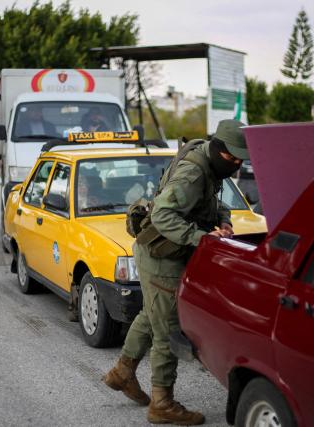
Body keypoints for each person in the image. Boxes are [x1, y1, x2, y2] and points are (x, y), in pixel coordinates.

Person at [103, 119, 249, 425]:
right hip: (161, 255)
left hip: (159, 250)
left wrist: (223, 221)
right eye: (231, 157)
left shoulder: (207, 156)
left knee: (151, 313)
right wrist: (202, 238)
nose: (235, 164)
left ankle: (123, 371)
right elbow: (164, 215)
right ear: (218, 147)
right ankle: (162, 403)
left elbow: (213, 201)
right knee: (167, 329)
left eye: (240, 160)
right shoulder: (193, 172)